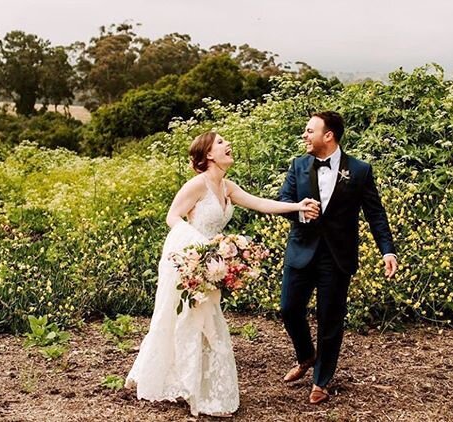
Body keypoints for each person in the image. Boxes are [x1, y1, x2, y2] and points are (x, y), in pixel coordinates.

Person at [125, 131, 320, 417]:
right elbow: (173, 217)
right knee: (183, 318)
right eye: (220, 142)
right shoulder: (196, 185)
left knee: (204, 320)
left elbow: (261, 203)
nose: (227, 145)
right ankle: (184, 384)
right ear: (208, 155)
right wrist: (200, 248)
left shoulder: (227, 187)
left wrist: (298, 206)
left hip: (211, 264)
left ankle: (195, 384)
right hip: (189, 259)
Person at [278, 111, 397, 404]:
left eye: (309, 131)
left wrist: (387, 250)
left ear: (328, 135)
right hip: (301, 251)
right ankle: (306, 355)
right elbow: (282, 201)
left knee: (330, 319)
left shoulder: (360, 170)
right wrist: (299, 211)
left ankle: (321, 380)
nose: (304, 136)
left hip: (337, 256)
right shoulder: (298, 165)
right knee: (289, 309)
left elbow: (375, 213)